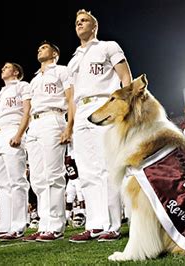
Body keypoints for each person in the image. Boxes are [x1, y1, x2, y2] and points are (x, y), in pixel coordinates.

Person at [67, 9, 132, 243]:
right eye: (77, 22)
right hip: (81, 109)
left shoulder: (108, 46)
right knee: (86, 171)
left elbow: (125, 76)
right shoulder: (73, 58)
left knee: (106, 167)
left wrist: (124, 106)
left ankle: (112, 224)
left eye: (84, 20)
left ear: (94, 26)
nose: (79, 24)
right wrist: (70, 123)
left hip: (103, 105)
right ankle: (94, 225)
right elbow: (72, 94)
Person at [22, 40, 74, 242]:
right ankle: (44, 224)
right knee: (37, 178)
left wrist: (68, 126)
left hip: (53, 118)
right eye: (38, 47)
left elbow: (71, 99)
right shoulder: (34, 79)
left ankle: (56, 225)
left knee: (53, 175)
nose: (39, 49)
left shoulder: (61, 70)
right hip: (34, 124)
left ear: (55, 53)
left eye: (44, 47)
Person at [0, 62, 31, 241]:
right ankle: (3, 227)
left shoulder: (23, 86)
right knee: (1, 184)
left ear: (16, 71)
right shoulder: (1, 92)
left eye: (6, 67)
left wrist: (20, 133)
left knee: (17, 181)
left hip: (13, 131)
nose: (2, 69)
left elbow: (27, 111)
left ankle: (18, 226)